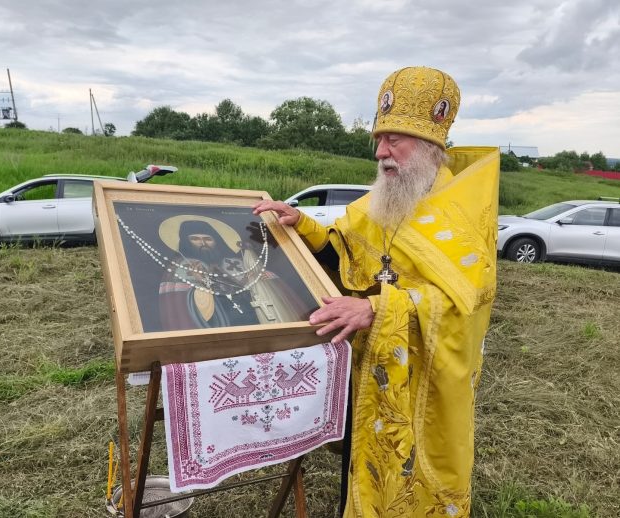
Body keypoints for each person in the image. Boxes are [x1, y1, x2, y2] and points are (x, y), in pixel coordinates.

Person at [254, 66, 499, 517]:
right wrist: (301, 224)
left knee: (415, 477)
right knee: (362, 460)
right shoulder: (382, 198)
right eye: (379, 139)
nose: (381, 152)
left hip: (421, 377)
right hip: (368, 364)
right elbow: (344, 249)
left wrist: (377, 309)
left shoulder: (459, 211)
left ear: (429, 146)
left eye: (394, 140)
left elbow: (465, 304)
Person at [156, 217, 310, 330]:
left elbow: (259, 283)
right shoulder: (182, 266)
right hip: (216, 322)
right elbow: (179, 304)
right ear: (185, 242)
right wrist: (200, 283)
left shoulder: (233, 262)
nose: (202, 243)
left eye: (208, 239)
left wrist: (254, 279)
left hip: (252, 317)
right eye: (195, 239)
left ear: (217, 241)